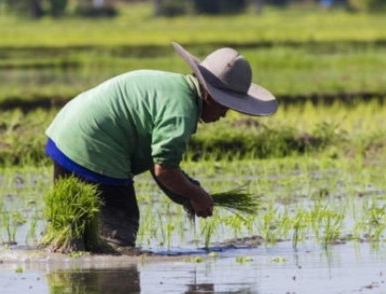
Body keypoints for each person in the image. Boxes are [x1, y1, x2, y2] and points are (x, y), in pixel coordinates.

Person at [44, 42, 278, 253]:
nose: (225, 114)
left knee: (69, 232)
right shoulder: (182, 109)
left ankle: (69, 288)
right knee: (119, 235)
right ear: (211, 97)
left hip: (65, 133)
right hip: (96, 145)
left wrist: (188, 194)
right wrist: (196, 194)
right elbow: (164, 170)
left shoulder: (172, 88)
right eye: (225, 106)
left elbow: (160, 164)